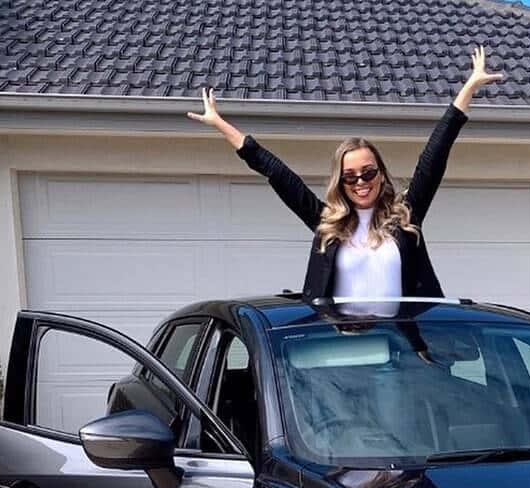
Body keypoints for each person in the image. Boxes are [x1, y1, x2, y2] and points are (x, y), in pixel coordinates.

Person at [188, 47, 503, 309]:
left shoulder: (405, 217)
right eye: (350, 177)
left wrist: (468, 89)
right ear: (340, 182)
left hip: (399, 350)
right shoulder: (328, 224)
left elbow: (435, 156)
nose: (360, 182)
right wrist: (221, 124)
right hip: (339, 352)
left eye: (368, 173)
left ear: (380, 175)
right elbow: (279, 175)